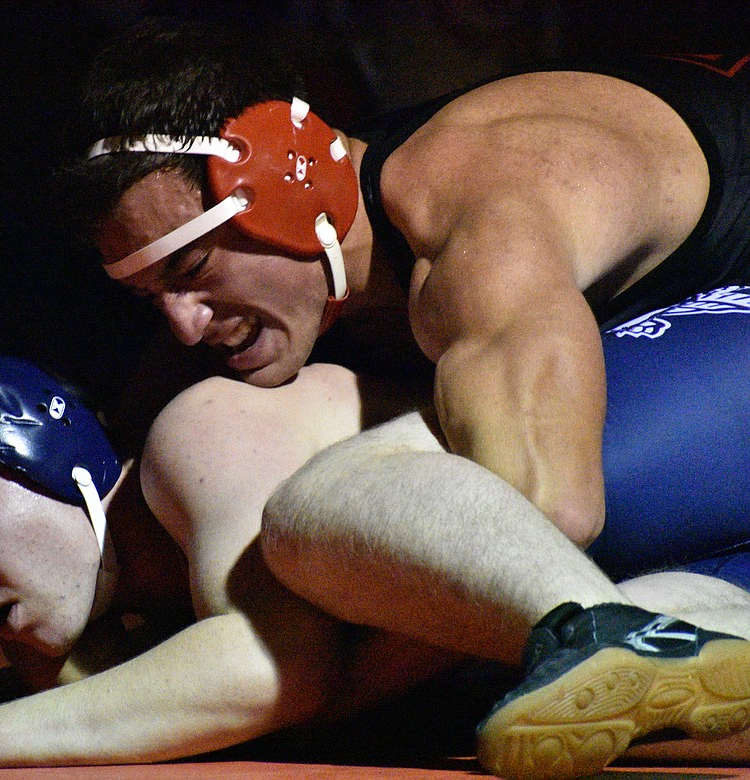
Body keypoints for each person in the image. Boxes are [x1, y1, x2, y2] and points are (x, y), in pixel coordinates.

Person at [54, 20, 750, 776]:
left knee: (359, 519)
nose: (184, 326)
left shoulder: (480, 216)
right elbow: (112, 552)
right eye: (148, 294)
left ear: (286, 190)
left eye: (189, 267)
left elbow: (549, 516)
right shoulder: (278, 267)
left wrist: (319, 698)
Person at [0, 332, 750, 778]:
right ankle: (620, 630)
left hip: (682, 411)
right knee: (557, 691)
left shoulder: (199, 436)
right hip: (684, 558)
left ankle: (602, 629)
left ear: (51, 452)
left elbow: (281, 669)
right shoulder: (91, 629)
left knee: (314, 523)